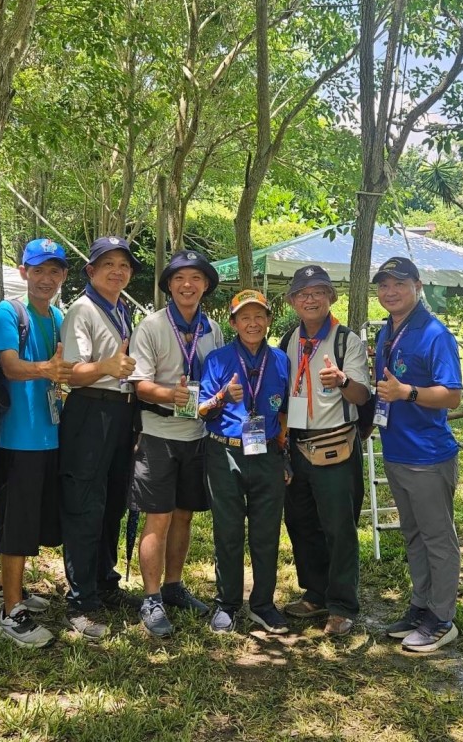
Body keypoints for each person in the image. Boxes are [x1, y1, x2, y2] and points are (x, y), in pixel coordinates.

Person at [0, 238, 74, 648]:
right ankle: (10, 614)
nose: (46, 278)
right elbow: (9, 366)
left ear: (64, 276)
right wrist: (47, 369)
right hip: (18, 437)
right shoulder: (8, 312)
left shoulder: (57, 316)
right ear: (23, 272)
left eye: (54, 271)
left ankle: (5, 588)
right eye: (38, 270)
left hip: (49, 434)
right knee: (17, 525)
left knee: (32, 519)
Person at [128, 249, 223, 637]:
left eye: (196, 278)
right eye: (180, 278)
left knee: (184, 515)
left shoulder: (212, 329)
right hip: (158, 435)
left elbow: (217, 379)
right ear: (169, 285)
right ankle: (151, 598)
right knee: (159, 517)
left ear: (205, 286)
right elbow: (139, 385)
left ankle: (173, 585)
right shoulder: (151, 326)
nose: (188, 285)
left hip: (196, 435)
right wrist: (171, 395)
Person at [372, 256, 463, 654]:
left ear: (418, 286)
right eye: (384, 285)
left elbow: (452, 396)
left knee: (438, 539)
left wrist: (406, 392)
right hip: (396, 451)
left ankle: (442, 620)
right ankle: (421, 607)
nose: (390, 291)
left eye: (399, 284)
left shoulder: (434, 334)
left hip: (427, 456)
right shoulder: (388, 330)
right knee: (413, 536)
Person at [58, 236, 141, 640]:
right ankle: (80, 600)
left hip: (122, 412)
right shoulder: (83, 309)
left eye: (123, 265)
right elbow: (71, 373)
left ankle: (105, 581)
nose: (117, 271)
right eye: (108, 264)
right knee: (85, 503)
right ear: (90, 271)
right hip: (91, 410)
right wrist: (106, 366)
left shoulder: (122, 309)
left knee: (113, 500)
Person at [280, 265, 371, 637]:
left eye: (318, 291)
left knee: (338, 527)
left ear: (331, 297)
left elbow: (362, 396)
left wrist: (342, 379)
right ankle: (315, 593)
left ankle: (342, 604)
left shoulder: (347, 341)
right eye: (303, 293)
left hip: (335, 445)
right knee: (300, 522)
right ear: (292, 301)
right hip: (296, 443)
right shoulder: (289, 339)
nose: (310, 299)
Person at [197, 290, 291, 635]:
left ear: (269, 320)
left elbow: (285, 412)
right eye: (245, 317)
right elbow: (200, 410)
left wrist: (284, 455)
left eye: (259, 316)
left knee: (267, 533)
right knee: (228, 531)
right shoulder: (218, 359)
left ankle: (263, 604)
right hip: (225, 453)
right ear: (233, 323)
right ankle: (227, 603)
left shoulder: (280, 360)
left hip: (268, 454)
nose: (253, 323)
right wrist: (223, 396)